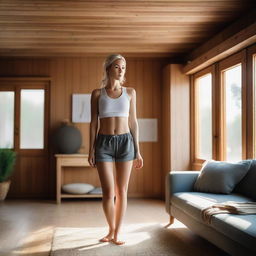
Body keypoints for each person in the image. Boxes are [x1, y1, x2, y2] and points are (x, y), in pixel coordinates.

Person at [88, 53, 143, 245]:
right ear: (109, 68)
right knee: (108, 191)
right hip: (103, 144)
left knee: (121, 190)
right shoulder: (97, 94)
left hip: (125, 142)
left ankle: (118, 232)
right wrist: (91, 150)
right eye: (117, 67)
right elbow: (93, 123)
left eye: (124, 68)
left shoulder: (130, 93)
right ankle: (110, 229)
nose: (121, 71)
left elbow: (133, 123)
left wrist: (138, 150)